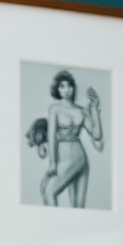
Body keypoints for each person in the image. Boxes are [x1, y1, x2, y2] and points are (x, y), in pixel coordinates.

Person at [27, 70, 103, 208]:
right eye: (62, 86)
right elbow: (51, 136)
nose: (66, 90)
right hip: (62, 156)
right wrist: (53, 162)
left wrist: (94, 108)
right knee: (48, 190)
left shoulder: (82, 111)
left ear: (73, 88)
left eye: (69, 86)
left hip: (77, 156)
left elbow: (97, 135)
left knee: (50, 192)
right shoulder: (54, 109)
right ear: (57, 89)